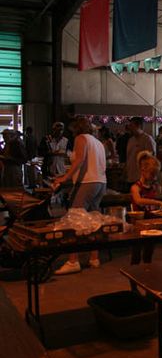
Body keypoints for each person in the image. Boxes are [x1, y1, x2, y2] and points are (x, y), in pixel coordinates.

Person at [53, 117, 107, 275]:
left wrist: (65, 178)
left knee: (74, 219)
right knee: (94, 219)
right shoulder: (97, 142)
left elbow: (80, 161)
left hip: (87, 182)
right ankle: (94, 258)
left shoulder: (80, 138)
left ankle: (73, 260)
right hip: (100, 182)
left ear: (76, 128)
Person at [129, 152, 162, 264]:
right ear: (143, 171)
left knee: (148, 253)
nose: (154, 177)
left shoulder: (152, 187)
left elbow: (152, 207)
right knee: (136, 255)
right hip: (138, 225)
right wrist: (158, 202)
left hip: (151, 223)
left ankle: (147, 274)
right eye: (152, 174)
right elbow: (138, 200)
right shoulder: (135, 187)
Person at [126, 117, 156, 190]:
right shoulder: (130, 140)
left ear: (138, 126)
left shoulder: (147, 139)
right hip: (131, 177)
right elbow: (128, 158)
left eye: (131, 125)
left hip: (142, 178)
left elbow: (152, 159)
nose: (129, 128)